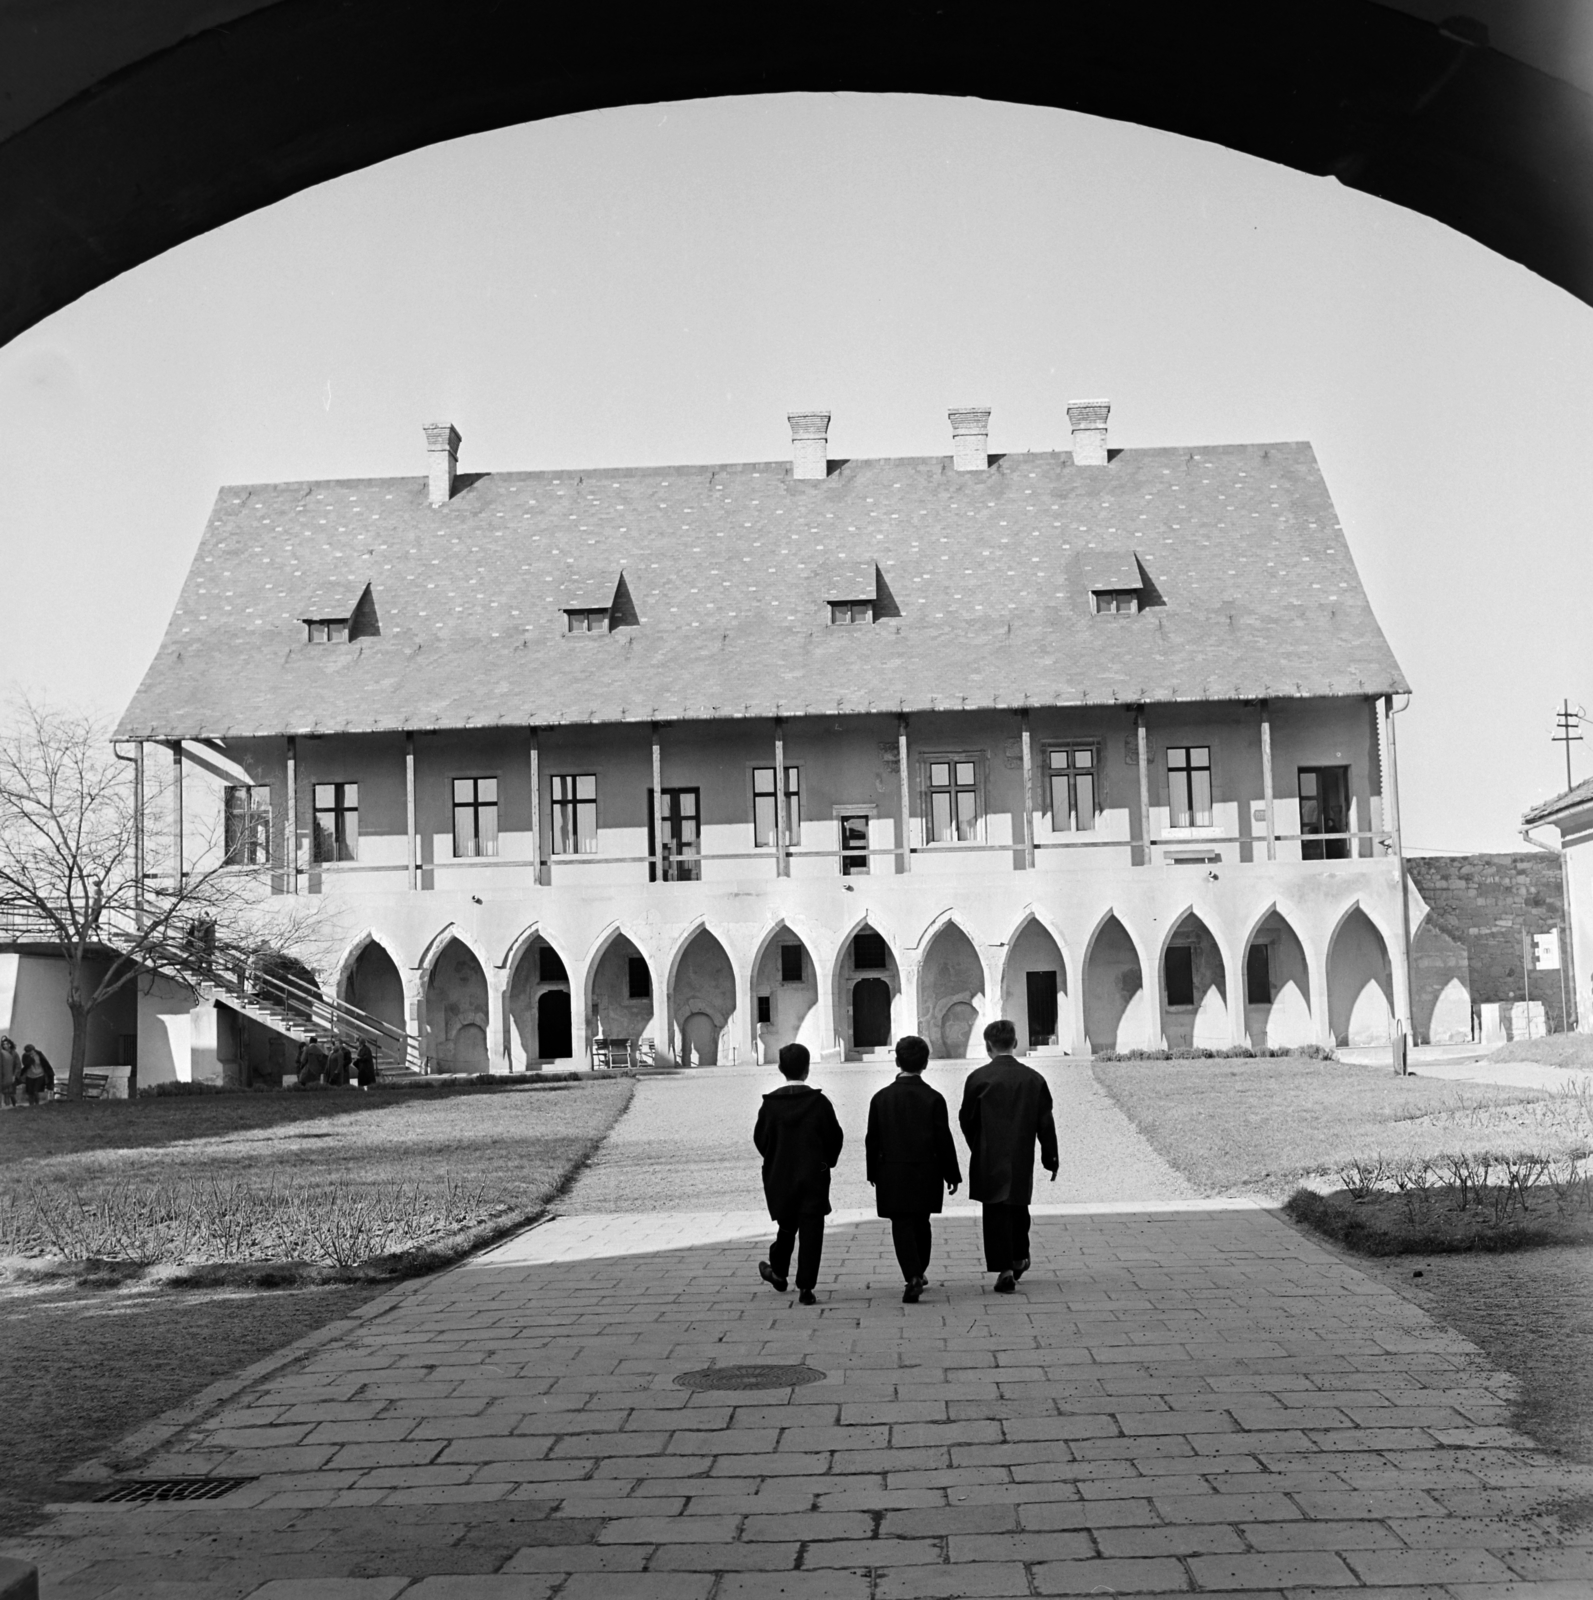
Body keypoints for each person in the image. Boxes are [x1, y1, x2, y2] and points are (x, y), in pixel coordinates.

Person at [958, 1019, 1059, 1294]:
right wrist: (1050, 1155)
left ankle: (1004, 1267)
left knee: (994, 1211)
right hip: (1020, 1151)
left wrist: (977, 1146)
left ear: (987, 1045)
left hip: (989, 1153)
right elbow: (1045, 1121)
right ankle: (1018, 1256)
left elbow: (966, 1119)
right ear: (1015, 1043)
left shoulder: (978, 1078)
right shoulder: (1033, 1078)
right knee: (1018, 1205)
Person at [865, 1034, 962, 1304]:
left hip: (892, 1170)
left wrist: (872, 1171)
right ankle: (920, 1269)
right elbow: (943, 1138)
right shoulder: (934, 1098)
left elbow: (873, 1138)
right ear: (926, 1063)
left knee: (901, 1223)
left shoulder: (881, 1098)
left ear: (896, 1061)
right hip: (926, 1169)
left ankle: (912, 1274)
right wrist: (951, 1174)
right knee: (922, 1221)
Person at [752, 1042, 844, 1306]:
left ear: (780, 1068)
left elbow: (761, 1140)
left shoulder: (770, 1105)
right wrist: (828, 1162)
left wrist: (776, 1158)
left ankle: (779, 1271)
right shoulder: (819, 1102)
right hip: (814, 1173)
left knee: (786, 1225)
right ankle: (806, 1287)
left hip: (781, 1173)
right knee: (812, 1228)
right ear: (807, 1068)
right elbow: (834, 1137)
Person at [0, 1035, 19, 1108]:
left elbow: (17, 1065)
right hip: (4, 1075)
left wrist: (14, 1075)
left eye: (6, 1044)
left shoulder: (14, 1053)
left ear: (10, 1044)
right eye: (3, 1044)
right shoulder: (2, 1053)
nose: (5, 1045)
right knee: (4, 1092)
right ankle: (5, 1106)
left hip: (11, 1074)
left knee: (10, 1092)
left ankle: (13, 1105)